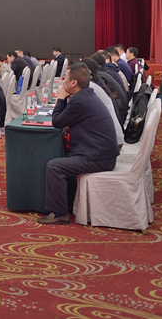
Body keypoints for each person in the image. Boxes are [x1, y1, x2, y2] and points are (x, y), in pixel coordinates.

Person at [37, 63, 119, 225]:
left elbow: (57, 122)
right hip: (100, 153)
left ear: (73, 82)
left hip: (99, 159)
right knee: (64, 157)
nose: (62, 82)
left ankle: (60, 213)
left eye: (64, 79)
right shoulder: (86, 96)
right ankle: (67, 204)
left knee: (54, 166)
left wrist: (61, 97)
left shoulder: (80, 100)